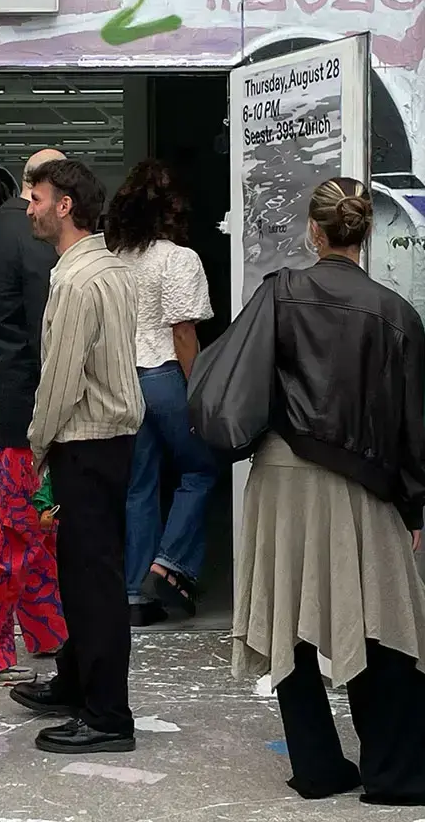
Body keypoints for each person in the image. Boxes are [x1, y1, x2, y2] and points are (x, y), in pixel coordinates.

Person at [217, 178, 425, 805]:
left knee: (289, 617)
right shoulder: (397, 312)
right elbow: (414, 425)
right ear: (366, 232)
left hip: (282, 475)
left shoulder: (278, 293)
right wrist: (413, 505)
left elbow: (238, 383)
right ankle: (393, 774)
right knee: (384, 620)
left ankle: (317, 767)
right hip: (365, 482)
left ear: (314, 231)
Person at [8, 158, 144, 755]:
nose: (29, 207)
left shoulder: (74, 281)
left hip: (84, 443)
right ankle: (76, 682)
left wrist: (37, 443)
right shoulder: (111, 269)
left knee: (92, 582)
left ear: (65, 206)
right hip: (108, 442)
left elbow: (60, 379)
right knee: (89, 573)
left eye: (36, 198)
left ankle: (107, 715)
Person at [0, 149, 69, 686]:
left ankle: (52, 635)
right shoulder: (33, 239)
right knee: (3, 536)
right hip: (23, 411)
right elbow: (43, 332)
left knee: (31, 529)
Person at [105, 159, 217, 626]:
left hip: (123, 378)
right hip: (165, 376)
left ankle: (135, 595)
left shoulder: (114, 260)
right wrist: (200, 390)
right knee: (202, 470)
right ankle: (167, 566)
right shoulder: (178, 258)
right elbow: (183, 332)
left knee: (140, 485)